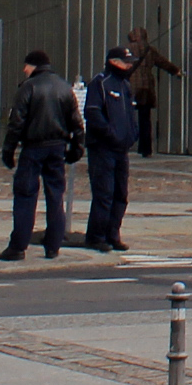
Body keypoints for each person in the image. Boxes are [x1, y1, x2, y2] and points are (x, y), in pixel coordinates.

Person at [0, 49, 81, 261]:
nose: (24, 69)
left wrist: (8, 150)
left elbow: (16, 123)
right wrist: (76, 147)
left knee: (25, 196)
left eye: (26, 65)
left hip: (34, 147)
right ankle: (53, 245)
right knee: (55, 196)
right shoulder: (64, 87)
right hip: (57, 147)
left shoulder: (28, 87)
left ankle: (18, 246)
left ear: (33, 65)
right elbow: (76, 123)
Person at [79, 46, 143, 252]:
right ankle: (96, 236)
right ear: (114, 62)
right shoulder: (100, 83)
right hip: (103, 148)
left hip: (121, 149)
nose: (130, 66)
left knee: (120, 194)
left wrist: (133, 134)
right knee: (104, 193)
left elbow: (132, 114)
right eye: (126, 62)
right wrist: (110, 134)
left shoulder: (125, 85)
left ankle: (112, 233)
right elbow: (93, 113)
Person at [119, 25, 181, 156]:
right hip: (146, 89)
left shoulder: (127, 50)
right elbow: (163, 63)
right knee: (145, 119)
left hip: (130, 88)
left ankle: (124, 144)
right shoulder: (150, 50)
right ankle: (145, 149)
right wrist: (176, 71)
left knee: (125, 116)